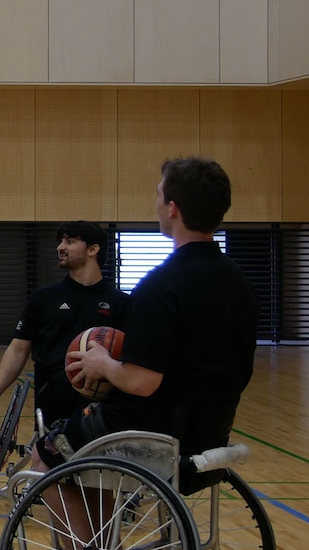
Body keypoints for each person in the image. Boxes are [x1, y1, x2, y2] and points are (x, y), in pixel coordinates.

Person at [45, 157, 258, 466]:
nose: (156, 204)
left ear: (172, 208)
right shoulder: (240, 282)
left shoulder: (160, 285)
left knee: (46, 453)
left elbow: (140, 382)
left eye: (159, 195)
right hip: (212, 431)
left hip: (155, 432)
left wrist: (102, 363)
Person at [0, 221, 129, 435]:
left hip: (102, 406)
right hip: (53, 402)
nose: (60, 247)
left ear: (93, 249)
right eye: (60, 242)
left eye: (70, 241)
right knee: (49, 454)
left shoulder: (120, 303)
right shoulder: (44, 298)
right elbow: (18, 349)